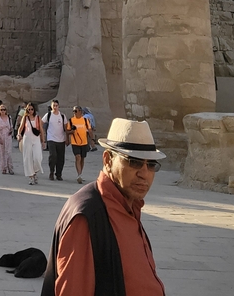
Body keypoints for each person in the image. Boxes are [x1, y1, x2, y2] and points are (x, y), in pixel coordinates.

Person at [41, 118, 166, 296]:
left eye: (151, 165)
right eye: (134, 162)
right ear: (108, 160)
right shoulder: (88, 216)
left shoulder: (129, 205)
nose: (144, 174)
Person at [17, 102, 46, 185]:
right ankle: (31, 176)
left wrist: (43, 141)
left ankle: (35, 171)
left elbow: (41, 130)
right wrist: (19, 134)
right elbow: (21, 127)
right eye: (28, 109)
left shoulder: (37, 118)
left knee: (37, 157)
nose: (30, 111)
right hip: (27, 139)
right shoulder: (25, 118)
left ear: (34, 109)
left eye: (32, 109)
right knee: (28, 158)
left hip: (36, 139)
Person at [42, 100, 69, 181]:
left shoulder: (62, 116)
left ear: (59, 106)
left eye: (56, 105)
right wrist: (43, 133)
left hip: (61, 139)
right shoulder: (48, 115)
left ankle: (59, 174)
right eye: (54, 105)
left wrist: (67, 138)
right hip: (51, 138)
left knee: (61, 158)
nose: (55, 107)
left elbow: (66, 128)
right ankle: (51, 172)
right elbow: (41, 123)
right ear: (51, 106)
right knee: (53, 156)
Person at [68, 106, 93, 183]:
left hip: (84, 142)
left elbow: (89, 130)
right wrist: (72, 131)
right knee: (77, 157)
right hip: (75, 142)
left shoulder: (85, 120)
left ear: (80, 112)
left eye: (75, 111)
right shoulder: (71, 120)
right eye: (73, 111)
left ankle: (80, 174)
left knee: (82, 158)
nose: (74, 113)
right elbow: (67, 131)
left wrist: (92, 140)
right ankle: (79, 175)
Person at [0, 104, 15, 175]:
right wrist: (0, 139)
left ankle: (10, 167)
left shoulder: (9, 117)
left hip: (8, 135)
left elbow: (11, 126)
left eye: (4, 109)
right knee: (2, 152)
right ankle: (4, 168)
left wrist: (11, 131)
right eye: (1, 110)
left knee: (8, 152)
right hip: (1, 135)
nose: (3, 111)